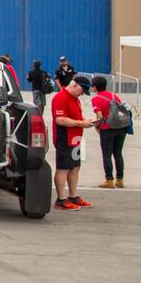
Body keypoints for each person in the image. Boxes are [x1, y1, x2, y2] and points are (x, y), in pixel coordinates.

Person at [50, 74, 96, 211]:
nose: (82, 94)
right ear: (75, 85)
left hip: (76, 138)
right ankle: (61, 199)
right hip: (65, 138)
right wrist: (80, 123)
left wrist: (86, 121)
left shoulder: (75, 98)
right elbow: (60, 119)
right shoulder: (60, 97)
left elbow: (77, 115)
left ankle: (73, 196)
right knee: (63, 168)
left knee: (75, 167)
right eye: (82, 91)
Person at [90, 75, 128, 188]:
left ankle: (109, 180)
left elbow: (100, 117)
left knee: (106, 155)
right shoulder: (114, 95)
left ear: (95, 87)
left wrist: (96, 126)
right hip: (121, 127)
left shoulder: (95, 99)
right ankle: (120, 180)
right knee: (118, 154)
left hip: (107, 129)